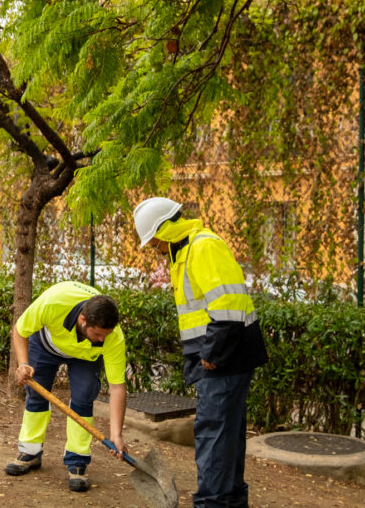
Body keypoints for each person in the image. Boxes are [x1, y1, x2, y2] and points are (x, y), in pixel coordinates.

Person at [133, 197, 268, 508]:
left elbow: (228, 305)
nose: (152, 247)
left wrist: (211, 352)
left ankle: (211, 503)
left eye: (152, 240)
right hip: (220, 357)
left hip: (223, 358)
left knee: (214, 437)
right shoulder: (185, 252)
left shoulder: (202, 247)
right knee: (226, 438)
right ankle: (228, 502)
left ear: (164, 230)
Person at [5, 280, 128, 493]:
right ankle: (30, 452)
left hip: (85, 357)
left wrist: (116, 434)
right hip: (46, 344)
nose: (102, 339)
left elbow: (117, 387)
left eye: (105, 336)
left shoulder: (112, 337)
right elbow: (20, 330)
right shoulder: (53, 303)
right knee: (36, 395)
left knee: (83, 397)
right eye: (98, 334)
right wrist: (23, 364)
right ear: (83, 320)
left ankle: (77, 460)